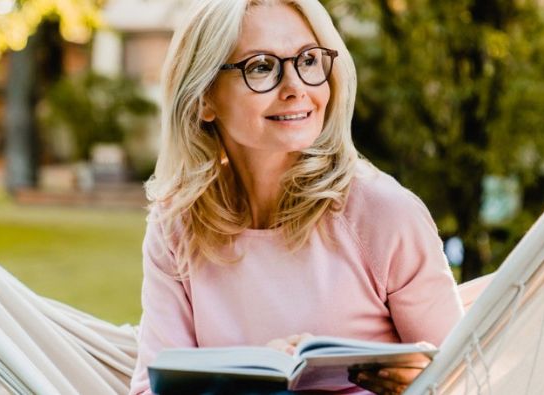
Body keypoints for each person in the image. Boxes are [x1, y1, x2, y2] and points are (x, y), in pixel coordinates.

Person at [129, 0, 464, 394]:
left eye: (308, 60)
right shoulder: (178, 225)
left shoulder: (384, 214)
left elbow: (470, 377)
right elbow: (150, 388)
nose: (296, 88)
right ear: (204, 99)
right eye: (261, 67)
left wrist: (424, 384)